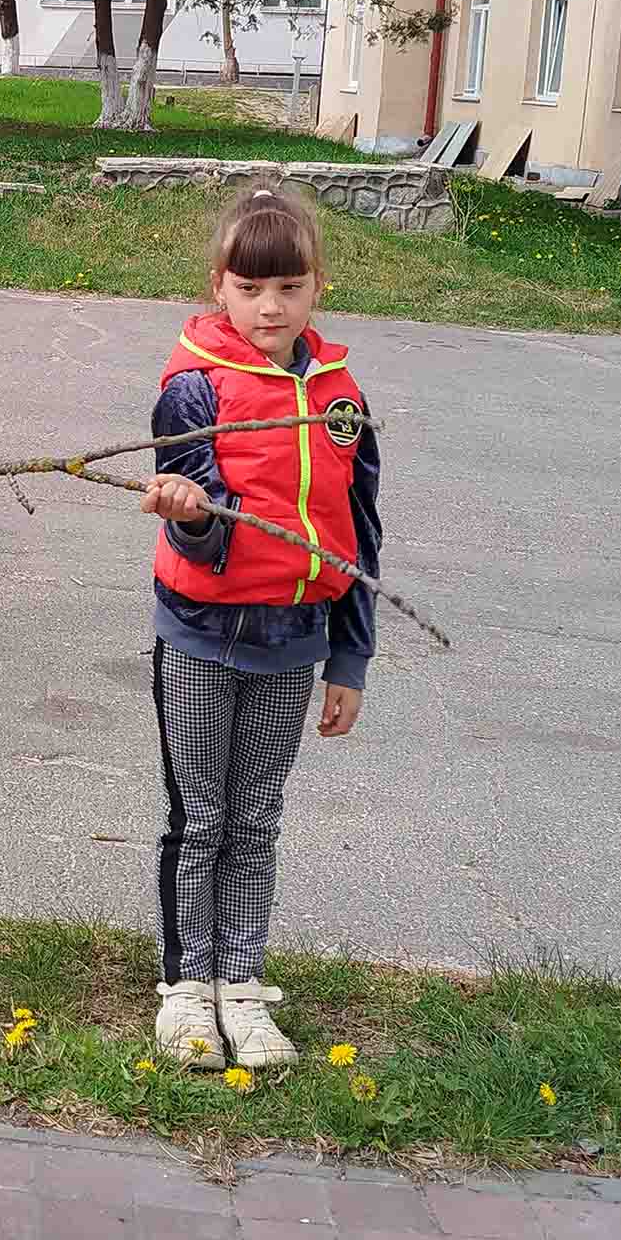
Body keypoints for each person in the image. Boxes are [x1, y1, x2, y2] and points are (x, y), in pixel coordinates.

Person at [138, 184, 381, 1072]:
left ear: (319, 285)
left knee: (257, 819)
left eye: (289, 287)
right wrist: (193, 516)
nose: (269, 307)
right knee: (200, 817)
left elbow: (359, 533)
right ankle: (186, 990)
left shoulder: (340, 398)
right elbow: (199, 536)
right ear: (219, 286)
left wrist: (349, 658)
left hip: (295, 642)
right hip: (199, 637)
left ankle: (242, 985)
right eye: (249, 289)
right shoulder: (193, 389)